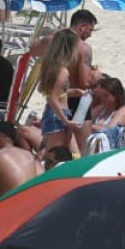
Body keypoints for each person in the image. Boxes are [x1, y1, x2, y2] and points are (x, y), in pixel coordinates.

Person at [33, 29, 83, 157]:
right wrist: (66, 120)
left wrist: (74, 92)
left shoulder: (51, 66)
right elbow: (53, 99)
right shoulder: (63, 71)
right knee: (57, 156)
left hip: (55, 114)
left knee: (71, 155)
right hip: (58, 116)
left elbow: (56, 93)